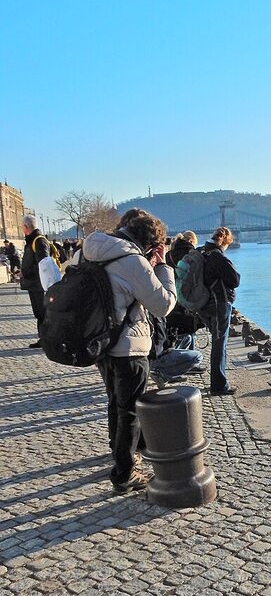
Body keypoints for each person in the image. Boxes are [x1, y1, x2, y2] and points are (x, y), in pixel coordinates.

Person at [79, 210, 176, 493]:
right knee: (130, 410)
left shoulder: (88, 250)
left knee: (115, 401)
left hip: (99, 342)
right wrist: (162, 265)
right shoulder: (134, 261)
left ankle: (120, 450)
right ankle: (124, 474)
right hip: (128, 346)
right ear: (150, 243)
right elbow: (164, 304)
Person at [203, 226, 240, 395]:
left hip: (206, 303)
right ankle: (218, 385)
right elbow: (235, 279)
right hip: (219, 303)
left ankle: (218, 381)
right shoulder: (217, 256)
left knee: (218, 342)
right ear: (225, 242)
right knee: (220, 344)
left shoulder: (203, 252)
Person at [19, 215, 51, 347]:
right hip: (34, 284)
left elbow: (43, 263)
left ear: (26, 227)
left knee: (43, 313)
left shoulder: (38, 241)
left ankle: (48, 340)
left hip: (39, 285)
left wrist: (25, 272)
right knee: (39, 313)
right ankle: (43, 339)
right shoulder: (32, 241)